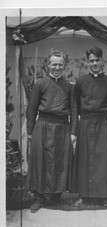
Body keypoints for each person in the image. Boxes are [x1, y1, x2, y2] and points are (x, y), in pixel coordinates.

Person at [26, 50, 77, 213]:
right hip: (43, 125)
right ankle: (38, 197)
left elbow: (74, 111)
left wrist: (74, 131)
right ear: (49, 65)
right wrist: (30, 131)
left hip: (62, 127)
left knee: (60, 162)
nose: (57, 67)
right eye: (54, 64)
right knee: (40, 161)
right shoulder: (40, 84)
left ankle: (56, 197)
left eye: (60, 65)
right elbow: (32, 108)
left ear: (64, 66)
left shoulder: (69, 86)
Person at [71, 46, 107, 205]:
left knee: (103, 159)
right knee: (84, 159)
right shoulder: (80, 82)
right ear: (87, 62)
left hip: (103, 124)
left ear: (102, 61)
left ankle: (102, 195)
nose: (95, 63)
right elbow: (76, 104)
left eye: (97, 60)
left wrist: (100, 116)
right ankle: (84, 194)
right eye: (91, 60)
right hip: (85, 123)